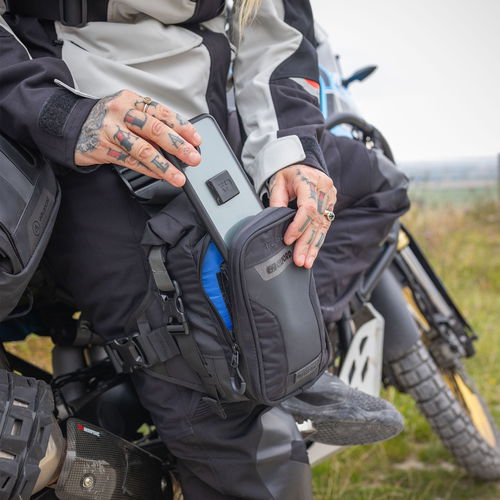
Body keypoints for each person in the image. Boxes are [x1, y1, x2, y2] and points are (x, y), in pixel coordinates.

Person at [0, 0, 410, 498]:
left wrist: (292, 148)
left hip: (209, 125)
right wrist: (58, 112)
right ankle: (250, 367)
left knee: (378, 186)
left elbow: (273, 27)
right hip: (86, 132)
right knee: (232, 430)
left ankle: (275, 348)